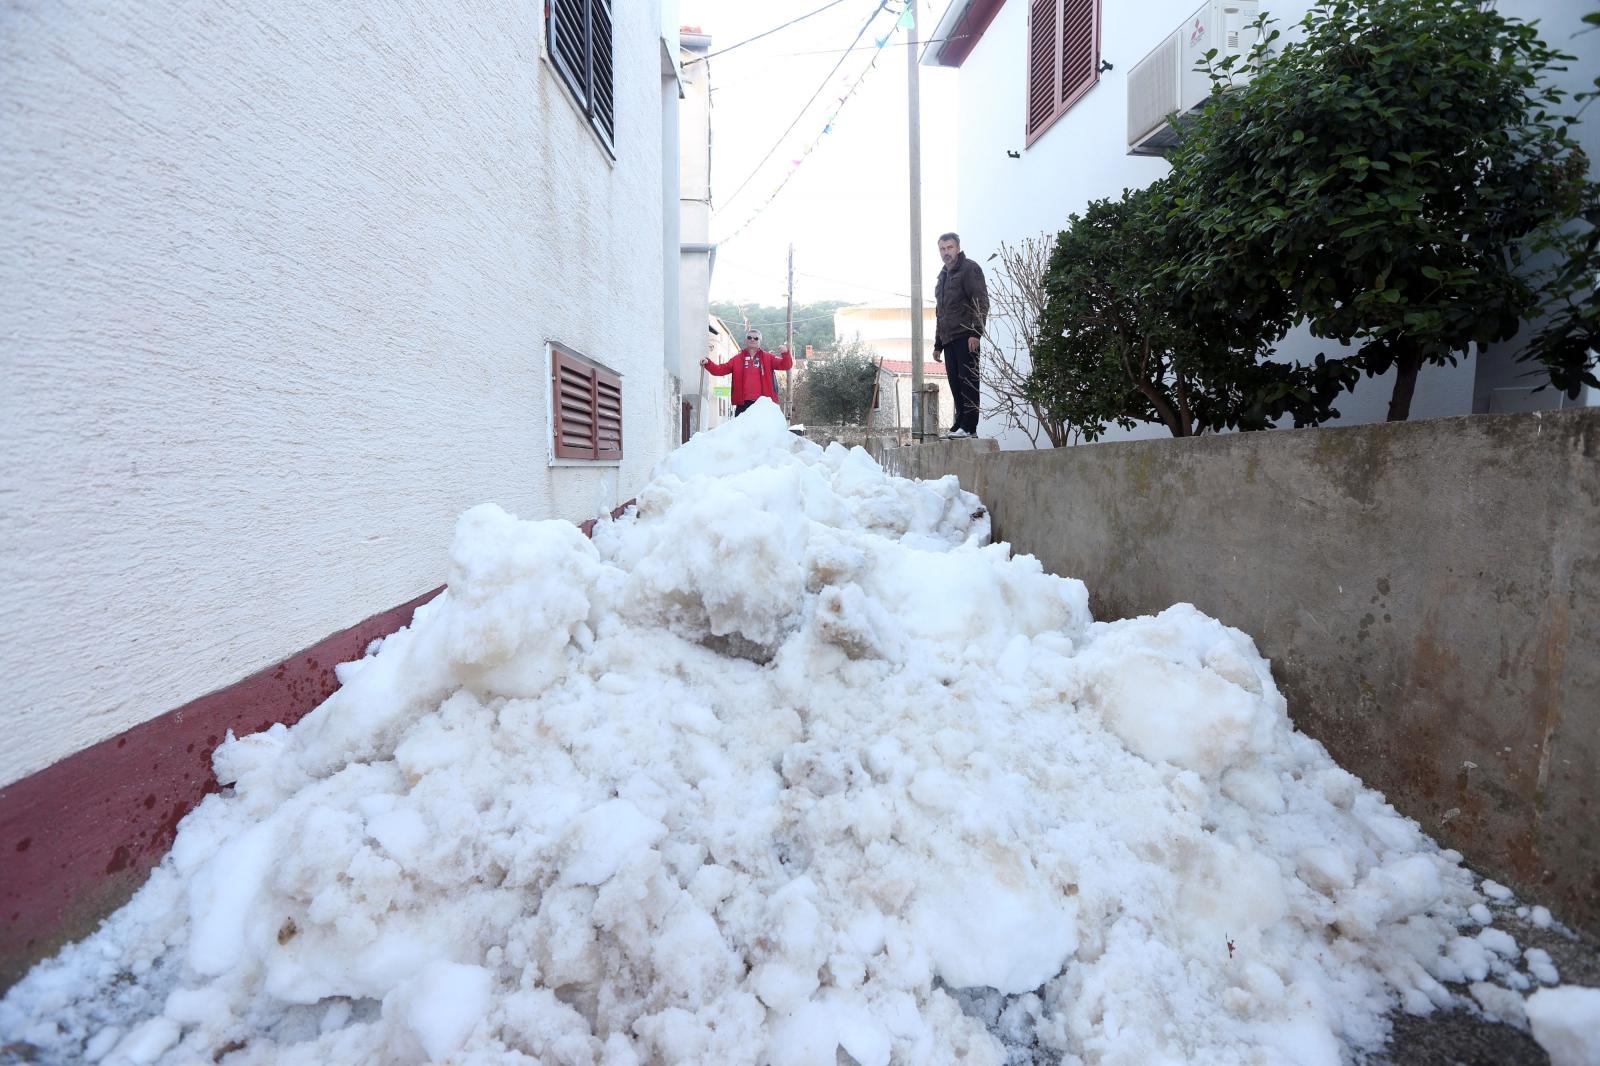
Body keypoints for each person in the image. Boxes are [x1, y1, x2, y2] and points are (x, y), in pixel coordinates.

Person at [932, 231, 989, 438]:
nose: (946, 252)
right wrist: (938, 344)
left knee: (968, 381)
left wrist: (976, 333)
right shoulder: (942, 277)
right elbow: (941, 312)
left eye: (950, 247)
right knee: (955, 383)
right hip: (949, 339)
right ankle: (961, 422)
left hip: (967, 336)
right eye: (942, 248)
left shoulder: (969, 269)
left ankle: (970, 426)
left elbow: (981, 301)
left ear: (957, 248)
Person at [703, 328, 793, 416]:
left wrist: (785, 353)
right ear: (746, 340)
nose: (752, 340)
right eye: (749, 337)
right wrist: (708, 363)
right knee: (741, 431)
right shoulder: (737, 359)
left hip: (764, 404)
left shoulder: (768, 358)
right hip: (743, 405)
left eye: (756, 338)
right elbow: (719, 370)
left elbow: (786, 365)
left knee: (762, 431)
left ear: (760, 342)